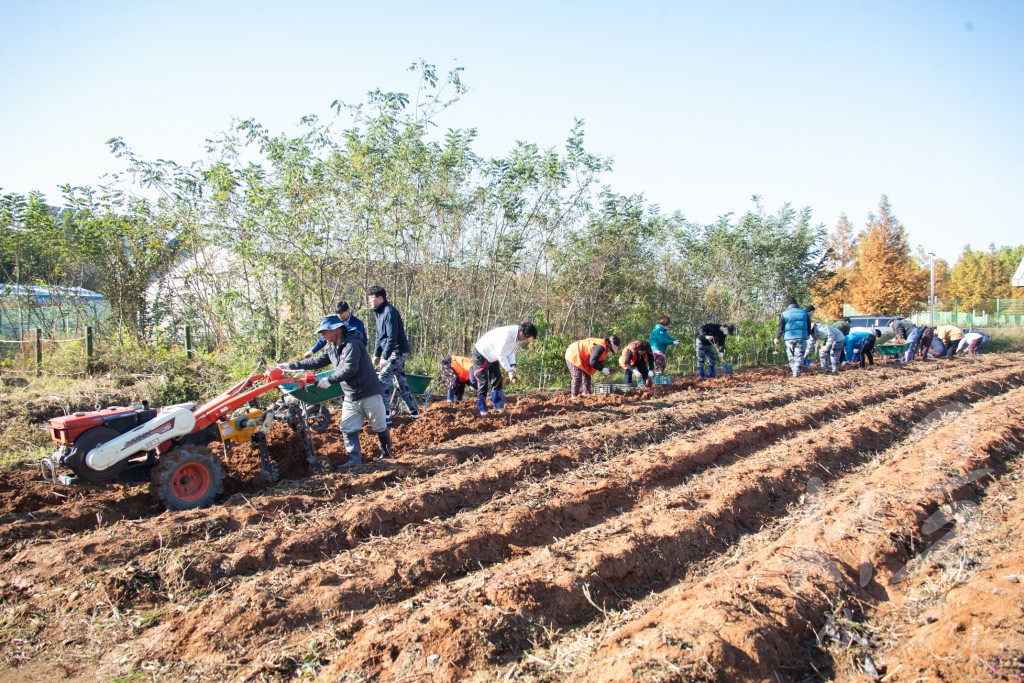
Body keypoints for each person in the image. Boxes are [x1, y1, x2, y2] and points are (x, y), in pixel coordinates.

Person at [278, 315, 392, 468]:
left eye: (324, 331)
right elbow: (315, 361)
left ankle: (386, 455)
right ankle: (354, 460)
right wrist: (289, 366)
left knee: (379, 426)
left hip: (368, 391)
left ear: (336, 329)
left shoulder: (353, 343)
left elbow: (350, 368)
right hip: (351, 394)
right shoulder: (332, 348)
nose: (323, 335)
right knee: (347, 426)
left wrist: (329, 380)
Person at [366, 285, 418, 421]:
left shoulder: (390, 312)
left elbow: (391, 337)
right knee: (400, 383)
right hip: (390, 352)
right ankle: (415, 413)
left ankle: (385, 415)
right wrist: (376, 355)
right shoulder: (378, 313)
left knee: (383, 380)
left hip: (398, 351)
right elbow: (379, 336)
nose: (369, 301)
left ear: (380, 298)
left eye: (371, 298)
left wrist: (385, 357)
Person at [472, 322, 538, 416]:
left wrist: (513, 369)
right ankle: (483, 411)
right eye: (527, 337)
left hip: (493, 356)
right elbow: (501, 355)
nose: (525, 340)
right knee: (483, 382)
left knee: (497, 380)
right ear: (522, 333)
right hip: (481, 354)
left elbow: (511, 353)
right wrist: (509, 370)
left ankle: (498, 407)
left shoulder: (517, 338)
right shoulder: (507, 335)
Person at [773, 297, 811, 378]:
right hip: (801, 336)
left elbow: (781, 327)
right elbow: (809, 325)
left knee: (790, 355)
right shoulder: (804, 312)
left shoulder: (785, 313)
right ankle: (796, 373)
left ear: (788, 305)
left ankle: (795, 372)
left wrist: (777, 337)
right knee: (799, 355)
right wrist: (807, 334)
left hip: (789, 338)